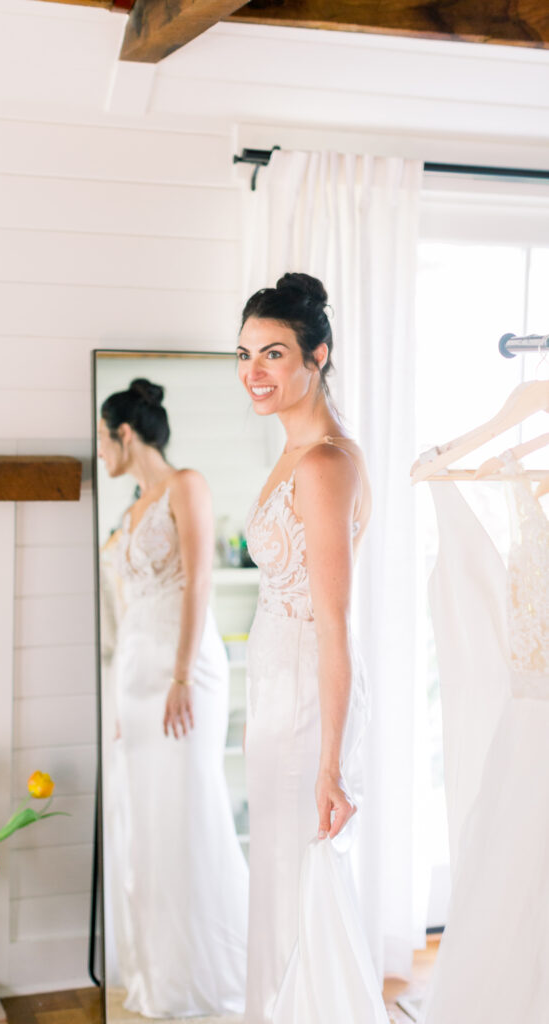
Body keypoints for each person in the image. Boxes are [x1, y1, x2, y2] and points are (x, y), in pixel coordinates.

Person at [238, 274, 389, 1024]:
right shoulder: (290, 452)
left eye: (272, 354)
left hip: (304, 699)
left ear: (316, 356)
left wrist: (331, 763)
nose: (253, 372)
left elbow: (334, 623)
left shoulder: (324, 464)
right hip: (270, 692)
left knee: (297, 878)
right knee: (272, 873)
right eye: (244, 355)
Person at [97, 377, 248, 1019]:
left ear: (125, 434)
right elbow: (127, 605)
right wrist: (122, 699)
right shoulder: (130, 507)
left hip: (185, 674)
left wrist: (182, 675)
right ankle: (159, 972)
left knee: (188, 813)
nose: (101, 454)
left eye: (103, 441)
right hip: (134, 678)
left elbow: (199, 584)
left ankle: (212, 972)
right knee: (147, 824)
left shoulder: (187, 485)